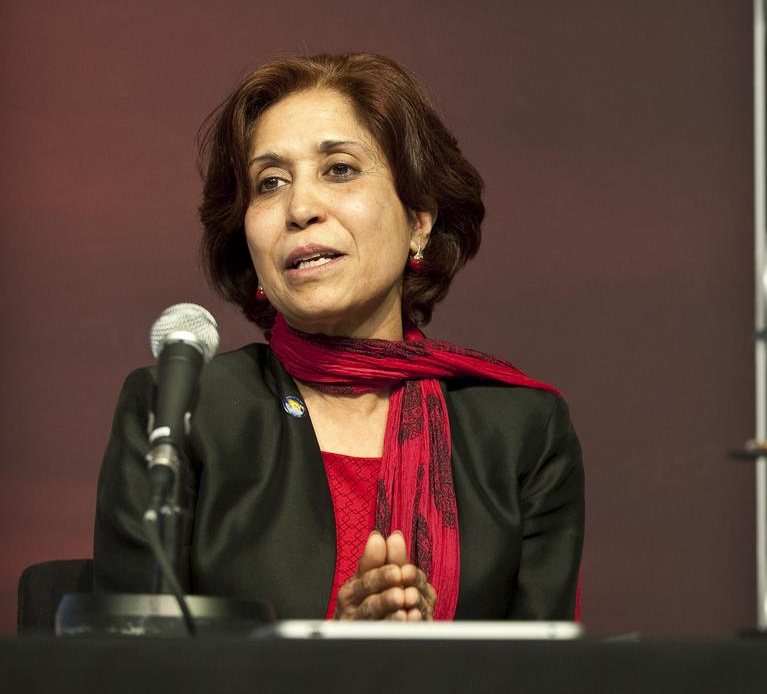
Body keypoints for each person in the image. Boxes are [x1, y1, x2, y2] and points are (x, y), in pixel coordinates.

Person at [93, 53, 584, 622]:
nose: (300, 208)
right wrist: (331, 658)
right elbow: (129, 669)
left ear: (419, 218)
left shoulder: (521, 433)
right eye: (270, 183)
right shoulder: (183, 412)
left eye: (340, 169)